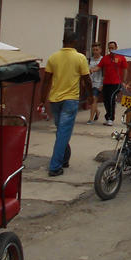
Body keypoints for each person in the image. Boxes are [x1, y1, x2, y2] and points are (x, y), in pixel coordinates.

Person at [38, 33, 91, 177]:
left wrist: (42, 100)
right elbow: (87, 80)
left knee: (61, 131)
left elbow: (46, 81)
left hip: (54, 100)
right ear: (75, 42)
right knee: (63, 132)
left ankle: (65, 158)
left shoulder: (53, 57)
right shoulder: (80, 58)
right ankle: (55, 167)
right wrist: (91, 97)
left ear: (63, 41)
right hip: (70, 100)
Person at [96, 41, 128, 126]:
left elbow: (125, 70)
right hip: (106, 82)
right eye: (109, 48)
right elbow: (99, 67)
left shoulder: (121, 57)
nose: (111, 49)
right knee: (106, 100)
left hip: (116, 83)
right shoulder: (105, 58)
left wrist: (123, 81)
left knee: (111, 98)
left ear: (116, 48)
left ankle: (111, 118)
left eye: (112, 48)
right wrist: (91, 70)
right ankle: (108, 116)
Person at [86, 43, 103, 124]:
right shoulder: (89, 60)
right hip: (90, 82)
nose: (95, 52)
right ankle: (97, 111)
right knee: (90, 100)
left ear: (100, 50)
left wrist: (102, 84)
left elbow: (105, 73)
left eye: (97, 50)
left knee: (93, 99)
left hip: (98, 82)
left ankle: (91, 119)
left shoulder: (103, 60)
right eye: (94, 50)